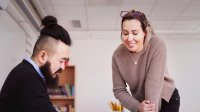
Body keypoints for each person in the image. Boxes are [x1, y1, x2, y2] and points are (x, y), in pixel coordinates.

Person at [112, 9, 180, 112]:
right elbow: (119, 90)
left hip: (166, 98)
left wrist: (149, 109)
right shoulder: (117, 55)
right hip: (142, 104)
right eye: (125, 33)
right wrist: (138, 107)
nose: (129, 38)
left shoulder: (156, 44)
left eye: (135, 33)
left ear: (145, 32)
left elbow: (153, 84)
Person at [0, 15, 71, 112]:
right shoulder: (28, 78)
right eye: (61, 61)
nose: (63, 67)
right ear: (42, 57)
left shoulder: (28, 73)